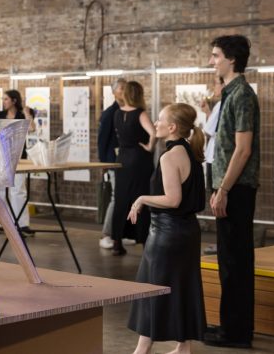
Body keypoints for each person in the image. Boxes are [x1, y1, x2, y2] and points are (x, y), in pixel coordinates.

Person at [127, 103, 207, 354]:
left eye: (160, 119)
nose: (156, 123)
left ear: (172, 127)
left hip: (167, 233)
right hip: (188, 232)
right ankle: (184, 346)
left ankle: (143, 348)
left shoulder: (169, 157)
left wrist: (142, 198)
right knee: (183, 287)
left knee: (152, 287)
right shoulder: (191, 153)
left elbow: (173, 200)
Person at [203, 35, 260, 349]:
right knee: (228, 259)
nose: (211, 61)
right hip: (228, 186)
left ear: (231, 59)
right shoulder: (230, 93)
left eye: (215, 56)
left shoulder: (242, 95)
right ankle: (230, 325)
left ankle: (236, 332)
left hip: (236, 188)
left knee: (235, 261)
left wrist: (223, 188)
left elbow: (243, 149)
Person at [112, 80, 155, 256]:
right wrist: (150, 147)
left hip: (122, 159)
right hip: (139, 159)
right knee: (142, 198)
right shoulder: (140, 113)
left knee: (121, 200)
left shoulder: (117, 113)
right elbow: (153, 132)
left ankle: (117, 241)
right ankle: (144, 241)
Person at [0, 90, 36, 237]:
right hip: (2, 157)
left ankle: (22, 224)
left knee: (18, 190)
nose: (4, 101)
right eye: (3, 99)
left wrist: (27, 113)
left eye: (6, 99)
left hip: (19, 157)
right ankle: (4, 222)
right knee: (2, 191)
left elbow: (32, 129)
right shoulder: (0, 115)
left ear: (14, 100)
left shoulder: (22, 114)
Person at [97, 78, 131, 249]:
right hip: (113, 161)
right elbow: (102, 140)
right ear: (114, 92)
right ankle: (107, 234)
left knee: (125, 197)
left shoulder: (128, 111)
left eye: (126, 88)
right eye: (121, 88)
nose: (124, 91)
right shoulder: (110, 113)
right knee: (115, 198)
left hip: (126, 161)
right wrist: (103, 163)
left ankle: (120, 234)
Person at [200, 76, 224, 193]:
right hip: (215, 156)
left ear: (223, 85)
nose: (214, 87)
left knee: (215, 193)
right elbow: (213, 128)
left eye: (216, 83)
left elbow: (208, 131)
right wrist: (208, 111)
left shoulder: (221, 104)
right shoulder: (220, 104)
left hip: (215, 157)